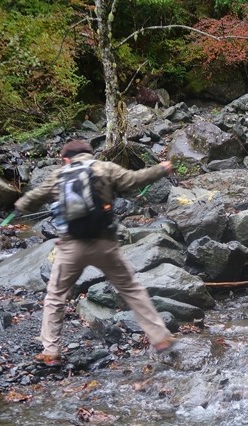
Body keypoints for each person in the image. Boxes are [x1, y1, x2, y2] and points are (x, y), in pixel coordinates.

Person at [14, 139, 176, 366]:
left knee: (55, 296)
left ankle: (51, 351)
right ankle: (160, 338)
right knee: (131, 289)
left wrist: (20, 206)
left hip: (71, 246)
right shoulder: (104, 167)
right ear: (90, 154)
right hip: (105, 243)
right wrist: (161, 169)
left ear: (66, 159)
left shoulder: (59, 174)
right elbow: (134, 180)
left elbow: (32, 199)